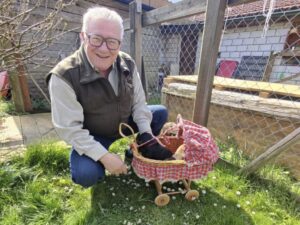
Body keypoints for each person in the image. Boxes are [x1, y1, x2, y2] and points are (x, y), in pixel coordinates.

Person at [46, 7, 172, 188]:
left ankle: (137, 150)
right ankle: (95, 158)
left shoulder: (127, 62)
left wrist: (147, 136)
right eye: (96, 39)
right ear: (83, 37)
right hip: (93, 134)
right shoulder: (63, 76)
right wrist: (105, 157)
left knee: (159, 112)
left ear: (120, 43)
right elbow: (69, 129)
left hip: (124, 123)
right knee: (87, 175)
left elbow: (139, 103)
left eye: (112, 41)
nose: (104, 49)